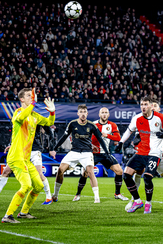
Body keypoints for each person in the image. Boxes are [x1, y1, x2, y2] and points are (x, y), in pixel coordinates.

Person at [116, 96, 163, 214]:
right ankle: (135, 200)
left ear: (155, 108)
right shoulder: (138, 119)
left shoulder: (161, 119)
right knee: (133, 175)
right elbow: (133, 135)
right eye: (142, 104)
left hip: (157, 154)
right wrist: (121, 142)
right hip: (142, 153)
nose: (144, 107)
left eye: (148, 105)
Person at [2, 88, 55, 223]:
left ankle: (24, 213)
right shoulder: (18, 112)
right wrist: (32, 105)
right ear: (22, 99)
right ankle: (8, 216)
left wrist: (52, 112)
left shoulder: (35, 116)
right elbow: (20, 118)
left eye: (32, 96)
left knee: (38, 185)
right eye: (28, 96)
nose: (32, 97)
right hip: (15, 157)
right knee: (26, 185)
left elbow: (49, 123)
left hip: (25, 159)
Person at [50, 104, 113, 203]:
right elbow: (64, 137)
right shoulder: (72, 124)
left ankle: (97, 198)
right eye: (81, 112)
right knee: (60, 170)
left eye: (84, 112)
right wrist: (54, 148)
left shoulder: (92, 125)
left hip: (87, 153)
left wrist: (107, 152)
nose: (83, 114)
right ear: (78, 113)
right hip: (74, 152)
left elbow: (100, 139)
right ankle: (55, 195)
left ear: (87, 114)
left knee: (90, 172)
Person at [73, 107, 128, 202]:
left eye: (106, 112)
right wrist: (90, 145)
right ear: (99, 114)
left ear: (108, 115)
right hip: (93, 154)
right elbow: (85, 137)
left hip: (105, 153)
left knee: (119, 171)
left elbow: (118, 138)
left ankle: (117, 194)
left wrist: (107, 135)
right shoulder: (93, 124)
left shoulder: (112, 125)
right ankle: (78, 194)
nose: (104, 114)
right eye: (102, 112)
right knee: (85, 173)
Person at [0, 125, 55, 205]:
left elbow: (49, 133)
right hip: (20, 149)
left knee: (39, 174)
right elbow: (16, 133)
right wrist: (12, 144)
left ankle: (49, 197)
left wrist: (52, 149)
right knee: (6, 171)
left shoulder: (37, 118)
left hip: (34, 150)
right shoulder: (20, 117)